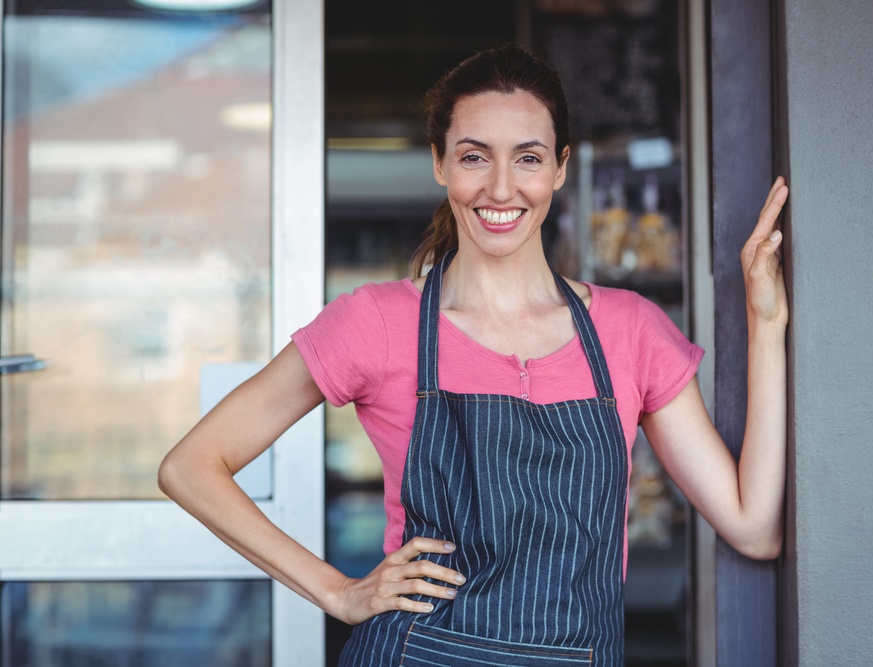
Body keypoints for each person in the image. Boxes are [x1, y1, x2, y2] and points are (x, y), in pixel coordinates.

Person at [159, 43, 788, 665]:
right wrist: (338, 592)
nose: (501, 187)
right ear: (439, 164)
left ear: (561, 168)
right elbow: (191, 466)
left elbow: (753, 527)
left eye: (529, 158)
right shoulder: (377, 323)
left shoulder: (632, 331)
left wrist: (765, 322)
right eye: (474, 157)